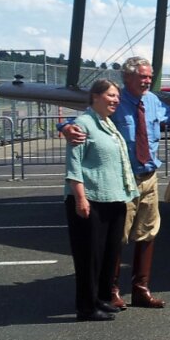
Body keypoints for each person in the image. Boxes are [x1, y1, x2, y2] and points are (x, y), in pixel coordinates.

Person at [63, 56, 170, 309]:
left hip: (149, 178)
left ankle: (141, 290)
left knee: (148, 232)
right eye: (142, 77)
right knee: (118, 236)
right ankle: (111, 290)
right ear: (127, 78)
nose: (147, 81)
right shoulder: (115, 102)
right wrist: (66, 127)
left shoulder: (153, 101)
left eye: (150, 76)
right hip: (123, 181)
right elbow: (86, 121)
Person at [64, 79, 138, 322]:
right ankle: (86, 307)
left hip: (114, 197)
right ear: (95, 96)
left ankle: (101, 299)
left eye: (117, 96)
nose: (116, 100)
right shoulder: (82, 124)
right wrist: (80, 199)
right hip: (92, 200)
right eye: (110, 95)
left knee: (108, 253)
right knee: (89, 257)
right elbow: (74, 165)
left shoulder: (107, 123)